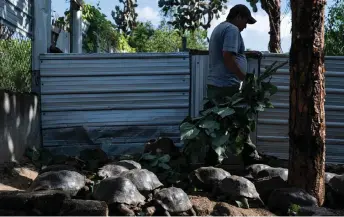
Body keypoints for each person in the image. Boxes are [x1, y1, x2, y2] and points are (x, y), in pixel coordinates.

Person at [206, 4, 261, 165]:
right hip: (227, 85)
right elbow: (228, 56)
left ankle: (211, 162)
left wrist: (247, 54)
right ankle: (250, 159)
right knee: (240, 121)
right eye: (245, 22)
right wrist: (243, 77)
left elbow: (231, 53)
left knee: (217, 125)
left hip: (216, 84)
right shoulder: (232, 30)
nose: (245, 26)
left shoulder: (220, 28)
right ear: (238, 16)